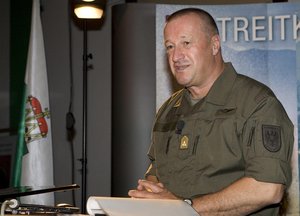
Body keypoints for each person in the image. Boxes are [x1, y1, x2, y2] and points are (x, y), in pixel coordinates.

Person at [128, 8, 294, 216]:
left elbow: (267, 189)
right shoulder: (169, 110)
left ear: (214, 45)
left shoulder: (257, 103)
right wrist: (147, 195)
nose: (176, 56)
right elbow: (156, 173)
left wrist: (185, 209)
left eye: (186, 43)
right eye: (170, 47)